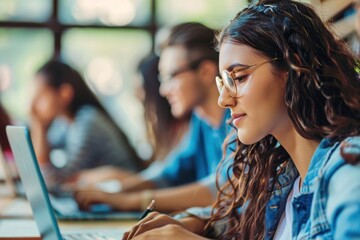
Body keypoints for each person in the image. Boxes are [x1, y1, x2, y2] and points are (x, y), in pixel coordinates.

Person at [122, 1, 360, 239]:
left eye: (239, 77)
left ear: (295, 66)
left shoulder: (348, 174)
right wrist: (192, 222)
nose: (223, 100)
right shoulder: (281, 177)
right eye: (224, 82)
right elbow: (235, 215)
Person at [75, 23, 230, 212]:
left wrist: (130, 201)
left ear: (206, 72)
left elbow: (223, 188)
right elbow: (167, 172)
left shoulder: (238, 120)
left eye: (171, 76)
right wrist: (116, 191)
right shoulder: (201, 121)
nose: (164, 90)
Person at [72, 54, 190, 186]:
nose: (137, 96)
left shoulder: (186, 133)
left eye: (141, 90)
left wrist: (117, 177)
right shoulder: (160, 136)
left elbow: (164, 182)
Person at [30, 61, 143, 189]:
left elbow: (57, 182)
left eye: (41, 95)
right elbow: (41, 161)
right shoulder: (64, 124)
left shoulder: (87, 122)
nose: (34, 104)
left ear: (64, 93)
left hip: (126, 192)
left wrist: (37, 123)